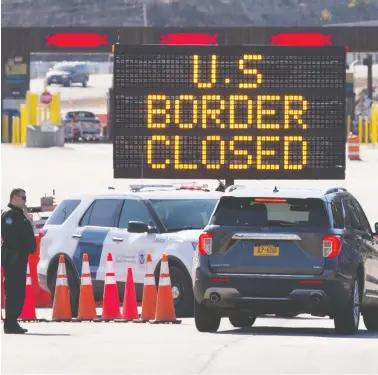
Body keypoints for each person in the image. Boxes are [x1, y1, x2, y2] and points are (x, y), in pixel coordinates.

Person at [1, 188, 36, 334]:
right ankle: (10, 323)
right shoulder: (9, 214)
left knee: (18, 291)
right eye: (23, 198)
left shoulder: (19, 214)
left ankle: (13, 321)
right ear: (14, 198)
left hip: (19, 257)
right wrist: (23, 247)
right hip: (13, 257)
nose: (25, 201)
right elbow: (11, 236)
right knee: (14, 291)